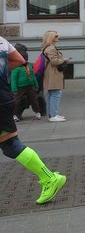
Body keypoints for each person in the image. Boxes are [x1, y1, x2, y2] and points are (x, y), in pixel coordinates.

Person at [0, 36, 66, 204]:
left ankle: (49, 178)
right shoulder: (2, 41)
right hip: (4, 96)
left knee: (10, 144)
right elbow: (19, 60)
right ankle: (48, 177)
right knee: (9, 144)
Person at [41, 30, 70, 122]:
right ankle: (54, 115)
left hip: (50, 72)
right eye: (56, 36)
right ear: (50, 38)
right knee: (56, 93)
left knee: (51, 94)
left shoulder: (48, 48)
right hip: (53, 73)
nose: (58, 38)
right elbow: (54, 61)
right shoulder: (51, 48)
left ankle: (52, 114)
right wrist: (64, 59)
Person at [11, 45, 42, 121]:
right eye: (24, 59)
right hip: (20, 87)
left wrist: (36, 84)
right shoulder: (16, 67)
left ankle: (37, 112)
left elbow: (33, 76)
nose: (25, 61)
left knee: (34, 100)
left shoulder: (29, 66)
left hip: (30, 86)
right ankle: (14, 114)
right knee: (17, 101)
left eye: (26, 59)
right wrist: (14, 88)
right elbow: (13, 79)